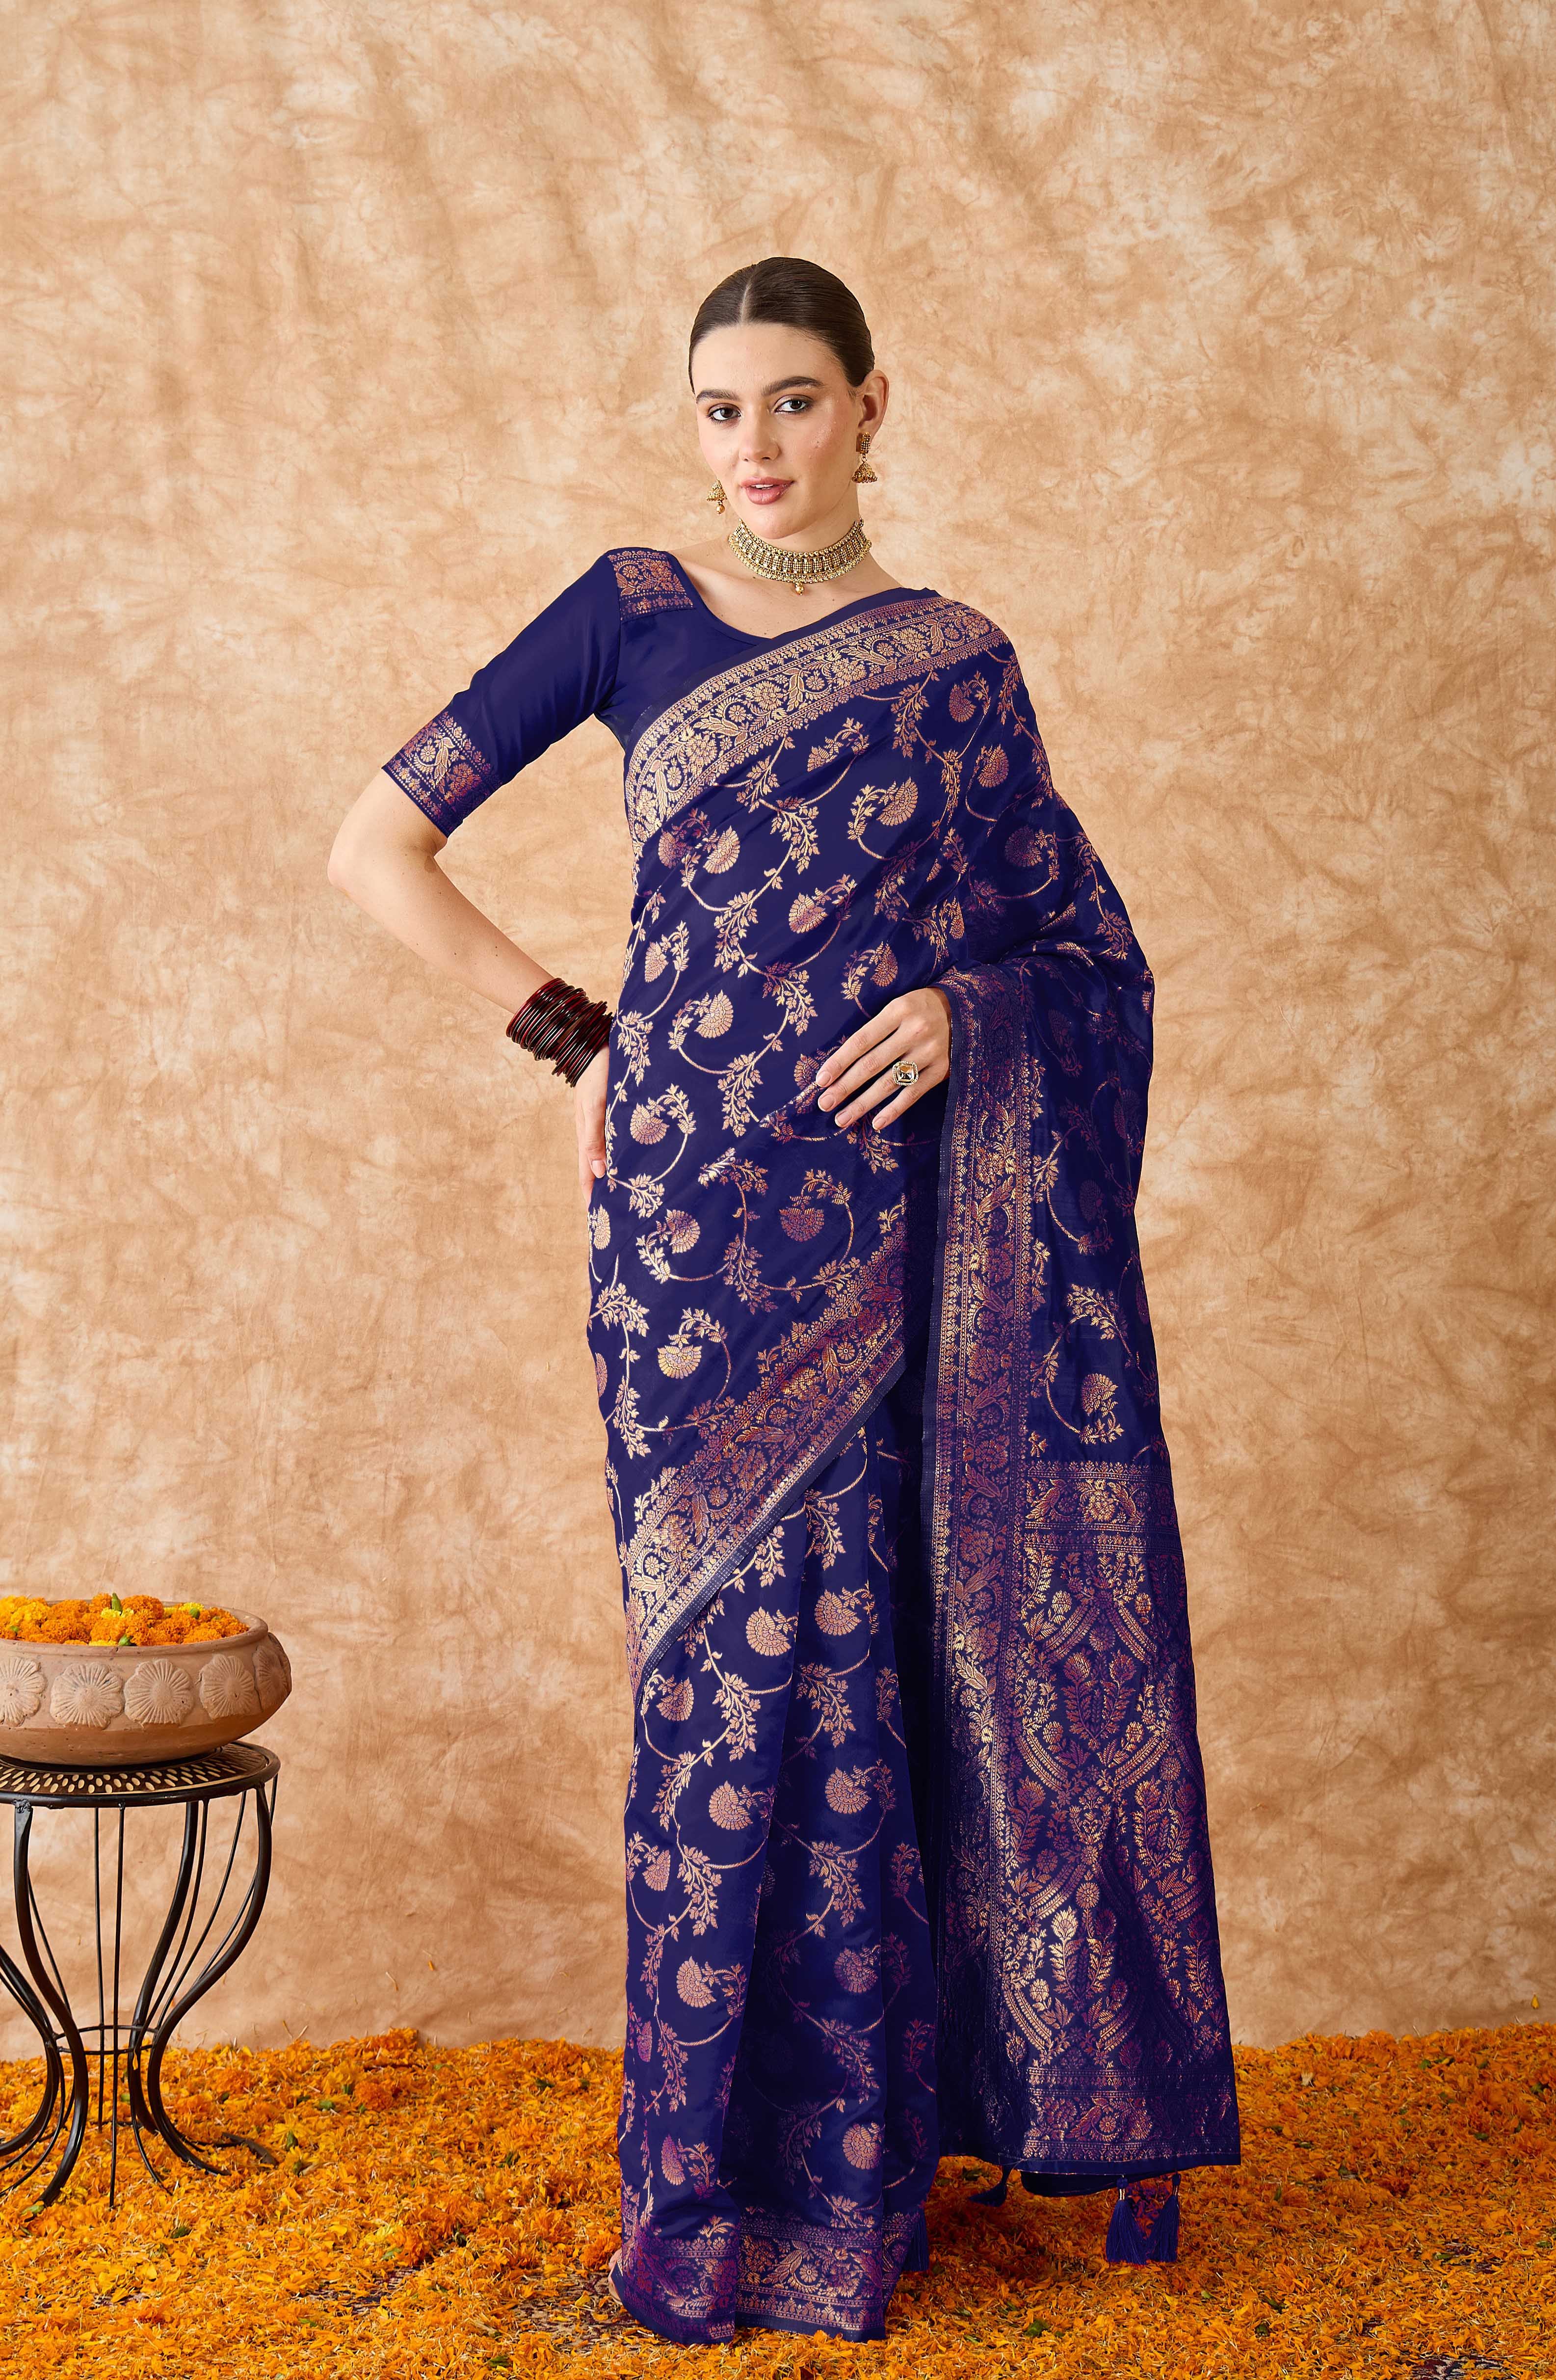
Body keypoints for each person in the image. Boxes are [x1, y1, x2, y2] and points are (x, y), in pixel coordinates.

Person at [327, 256, 1241, 2347]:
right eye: (720, 407)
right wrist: (575, 1038)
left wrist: (966, 1012)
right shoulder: (627, 610)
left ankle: (869, 2163)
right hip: (684, 1239)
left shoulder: (956, 666)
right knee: (722, 1684)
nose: (754, 446)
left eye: (796, 402)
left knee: (873, 1666)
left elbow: (1089, 962)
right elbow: (376, 846)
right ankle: (714, 2187)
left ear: (871, 408)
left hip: (895, 1231)